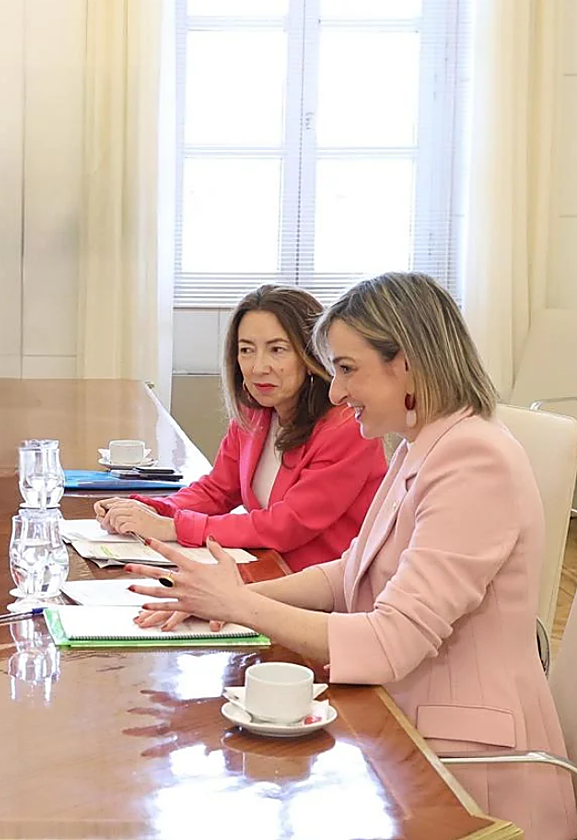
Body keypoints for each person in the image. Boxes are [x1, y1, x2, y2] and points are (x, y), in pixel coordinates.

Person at [128, 272, 577, 839]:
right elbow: (351, 571)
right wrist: (229, 599)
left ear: (407, 363)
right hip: (408, 728)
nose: (335, 392)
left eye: (347, 369)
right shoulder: (429, 443)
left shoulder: (473, 463)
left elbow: (391, 642)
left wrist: (240, 607)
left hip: (468, 773)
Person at [95, 284, 387, 572]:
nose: (258, 367)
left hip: (324, 595)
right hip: (266, 571)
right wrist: (148, 509)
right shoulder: (254, 413)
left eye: (277, 350)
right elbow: (218, 490)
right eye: (246, 350)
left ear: (310, 355)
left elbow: (285, 526)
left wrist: (172, 526)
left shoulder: (348, 427)